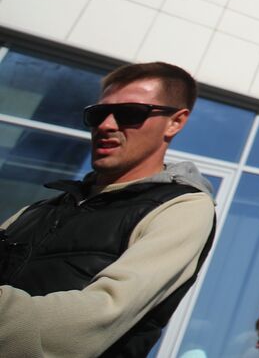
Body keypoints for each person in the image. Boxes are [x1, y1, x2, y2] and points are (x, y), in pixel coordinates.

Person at [0, 61, 216, 357]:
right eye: (98, 114)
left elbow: (89, 322)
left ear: (175, 122)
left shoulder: (181, 207)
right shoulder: (37, 210)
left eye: (130, 113)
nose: (106, 126)